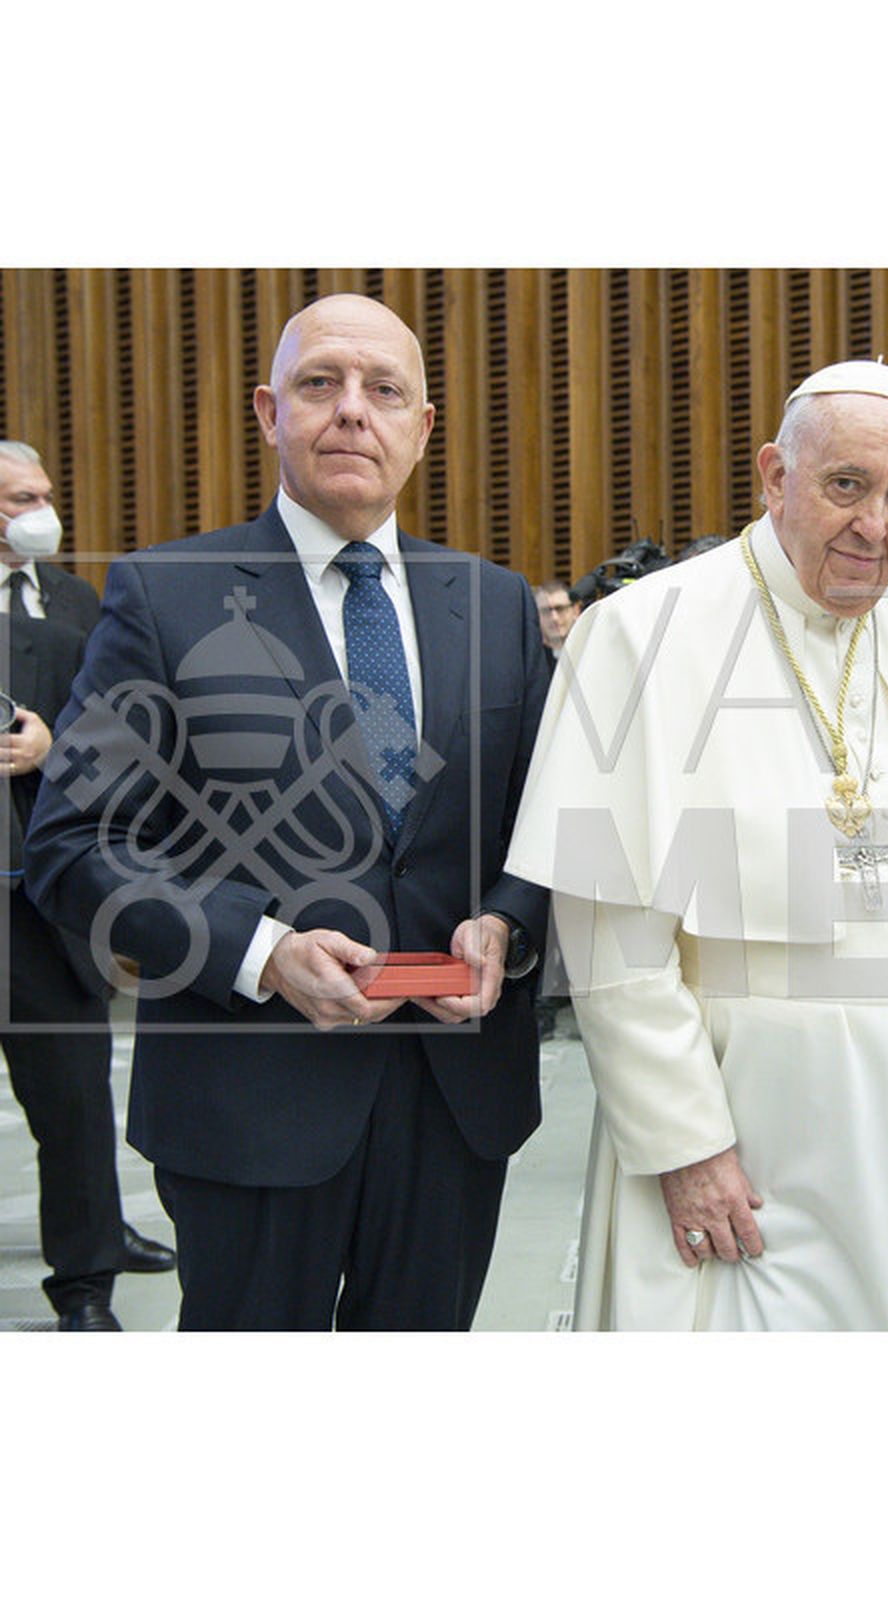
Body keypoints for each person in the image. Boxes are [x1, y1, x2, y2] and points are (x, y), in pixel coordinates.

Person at [24, 296, 550, 1330]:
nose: (353, 411)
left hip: (454, 1098)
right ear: (270, 411)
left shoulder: (492, 605)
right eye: (322, 384)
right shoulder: (164, 595)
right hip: (249, 1095)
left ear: (423, 426)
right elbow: (74, 844)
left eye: (383, 390)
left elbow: (546, 825)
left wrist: (511, 925)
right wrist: (258, 950)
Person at [505, 359, 888, 1330]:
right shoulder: (639, 634)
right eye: (845, 487)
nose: (875, 526)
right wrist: (683, 1143)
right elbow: (609, 931)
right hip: (749, 1148)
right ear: (774, 476)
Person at [0, 441, 175, 1331]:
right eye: (19, 497)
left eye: (43, 494)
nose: (39, 510)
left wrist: (45, 751)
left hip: (41, 897)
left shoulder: (74, 601)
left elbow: (117, 736)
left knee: (72, 1096)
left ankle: (88, 1270)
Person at [534, 580, 579, 669]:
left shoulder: (588, 653)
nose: (554, 618)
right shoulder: (531, 662)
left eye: (560, 609)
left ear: (575, 611)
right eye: (546, 611)